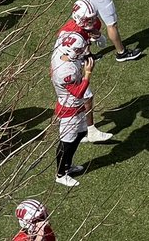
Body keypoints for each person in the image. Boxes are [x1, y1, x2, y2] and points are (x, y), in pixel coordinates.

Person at [51, 32, 92, 187]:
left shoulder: (61, 53)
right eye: (80, 50)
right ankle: (61, 174)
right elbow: (78, 92)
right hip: (70, 108)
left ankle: (68, 165)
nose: (83, 52)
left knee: (81, 133)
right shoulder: (65, 72)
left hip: (75, 104)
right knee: (66, 142)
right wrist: (87, 74)